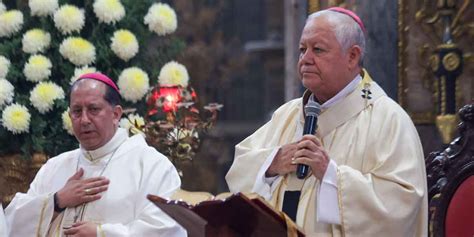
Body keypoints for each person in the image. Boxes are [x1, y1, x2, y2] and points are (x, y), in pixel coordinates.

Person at [226, 7, 427, 236]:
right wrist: (272, 164)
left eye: (318, 50)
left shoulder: (389, 120)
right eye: (302, 49)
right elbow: (239, 171)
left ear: (352, 56)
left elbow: (401, 207)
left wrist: (330, 175)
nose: (305, 59)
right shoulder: (287, 115)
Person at [5, 73, 186, 236]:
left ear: (116, 114)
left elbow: (167, 228)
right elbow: (11, 224)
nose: (84, 120)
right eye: (77, 111)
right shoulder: (54, 167)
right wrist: (57, 201)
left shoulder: (151, 165)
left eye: (93, 109)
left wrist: (102, 233)